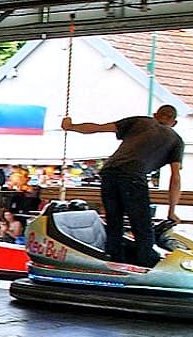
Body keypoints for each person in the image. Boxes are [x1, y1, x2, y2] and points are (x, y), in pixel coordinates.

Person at [61, 104, 183, 266]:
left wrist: (70, 126)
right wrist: (172, 211)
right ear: (174, 122)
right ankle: (146, 265)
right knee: (142, 226)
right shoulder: (176, 140)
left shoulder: (140, 121)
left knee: (114, 222)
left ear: (155, 115)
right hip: (133, 176)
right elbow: (175, 177)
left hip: (109, 173)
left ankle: (114, 261)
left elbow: (98, 128)